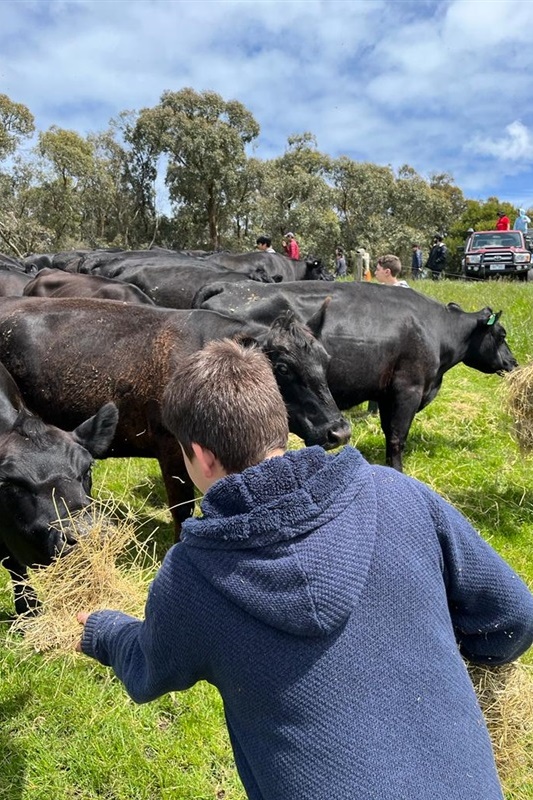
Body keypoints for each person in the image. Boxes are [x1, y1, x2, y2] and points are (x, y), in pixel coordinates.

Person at [77, 338, 533, 800]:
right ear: (280, 422)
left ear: (203, 455)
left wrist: (103, 630)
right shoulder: (397, 494)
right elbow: (513, 615)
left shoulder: (193, 576)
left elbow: (148, 668)